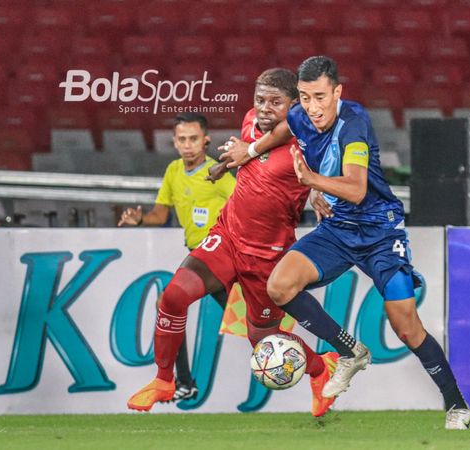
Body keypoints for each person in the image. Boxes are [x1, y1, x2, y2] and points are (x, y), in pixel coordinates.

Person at [218, 56, 470, 430]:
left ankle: (457, 405)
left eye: (320, 97)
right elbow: (284, 131)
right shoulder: (299, 116)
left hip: (379, 232)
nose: (313, 107)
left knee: (406, 325)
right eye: (305, 98)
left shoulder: (353, 124)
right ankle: (350, 351)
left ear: (337, 92)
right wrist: (251, 151)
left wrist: (312, 183)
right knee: (280, 285)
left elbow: (355, 189)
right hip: (338, 228)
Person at [127, 68, 358, 417]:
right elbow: (252, 153)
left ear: (295, 106)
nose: (264, 108)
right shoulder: (251, 121)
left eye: (275, 102)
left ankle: (319, 368)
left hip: (268, 256)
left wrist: (316, 191)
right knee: (173, 296)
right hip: (228, 236)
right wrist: (224, 165)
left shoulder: (309, 141)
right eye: (259, 100)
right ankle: (164, 380)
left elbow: (315, 159)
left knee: (263, 339)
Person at [118, 113, 235, 402]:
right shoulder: (173, 171)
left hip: (222, 256)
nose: (188, 145)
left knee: (259, 327)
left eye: (193, 138)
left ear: (206, 140)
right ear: (174, 142)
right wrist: (141, 220)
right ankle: (182, 381)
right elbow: (161, 213)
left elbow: (244, 205)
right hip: (200, 259)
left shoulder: (218, 174)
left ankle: (179, 382)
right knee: (170, 304)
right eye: (182, 139)